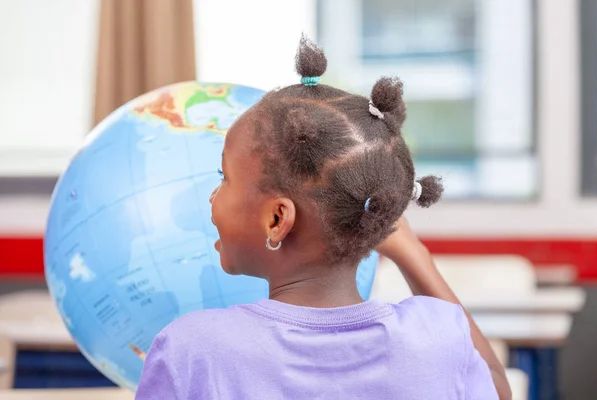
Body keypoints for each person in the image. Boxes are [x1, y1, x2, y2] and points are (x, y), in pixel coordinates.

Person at [135, 36, 510, 400]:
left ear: (277, 219)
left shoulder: (190, 352)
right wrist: (412, 253)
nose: (213, 196)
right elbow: (496, 388)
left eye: (224, 178)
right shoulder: (437, 337)